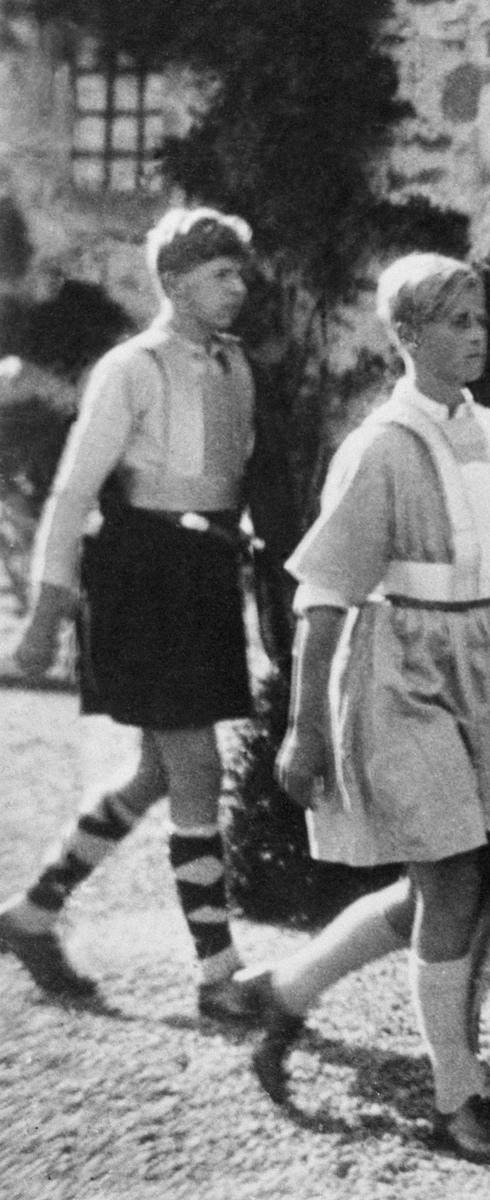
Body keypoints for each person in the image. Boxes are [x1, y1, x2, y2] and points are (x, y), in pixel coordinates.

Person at [250, 253, 490, 1165]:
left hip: (484, 661)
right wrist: (306, 724)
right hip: (396, 665)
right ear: (405, 336)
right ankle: (457, 1094)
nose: (475, 335)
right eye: (453, 321)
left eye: (480, 318)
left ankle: (288, 988)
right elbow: (324, 596)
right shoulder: (380, 447)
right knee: (449, 878)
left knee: (436, 883)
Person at [0, 206, 283, 1021]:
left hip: (203, 576)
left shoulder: (238, 369)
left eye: (239, 271)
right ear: (173, 282)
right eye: (219, 274)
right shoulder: (131, 368)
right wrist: (45, 612)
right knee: (199, 770)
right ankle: (219, 974)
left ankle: (30, 914)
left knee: (158, 772)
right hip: (140, 574)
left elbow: (245, 485)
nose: (238, 287)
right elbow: (73, 491)